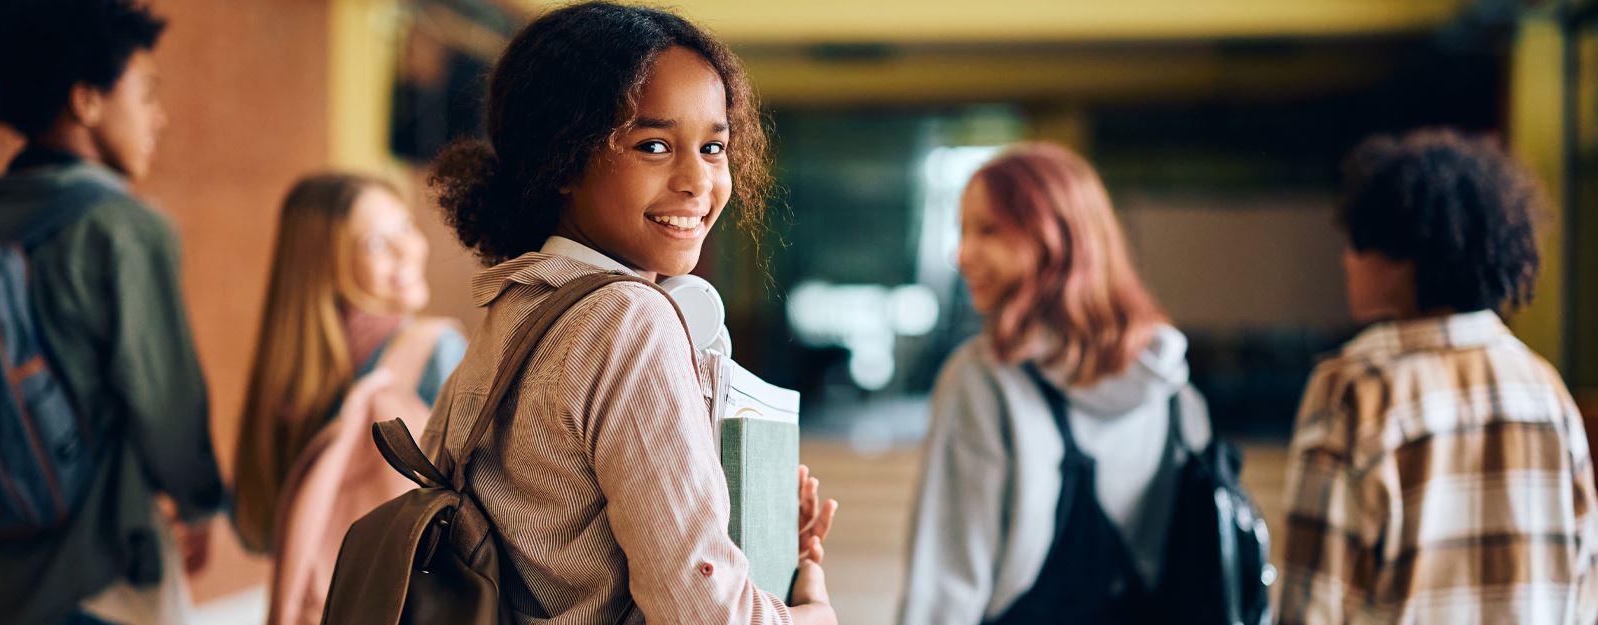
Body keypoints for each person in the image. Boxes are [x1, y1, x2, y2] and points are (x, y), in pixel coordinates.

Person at [419, 3, 838, 623]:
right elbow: (703, 614)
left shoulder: (514, 308)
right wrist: (815, 611)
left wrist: (743, 528)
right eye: (653, 145)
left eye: (714, 145)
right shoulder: (629, 320)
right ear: (562, 157)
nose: (698, 179)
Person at [0, 2, 223, 624]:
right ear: (85, 101)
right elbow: (166, 399)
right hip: (90, 572)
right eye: (146, 96)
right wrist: (199, 506)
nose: (160, 118)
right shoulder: (125, 228)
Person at [1278, 129, 1598, 624]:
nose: (1346, 261)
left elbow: (1312, 600)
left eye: (1361, 244)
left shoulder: (1355, 389)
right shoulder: (1544, 390)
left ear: (1405, 260)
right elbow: (1582, 589)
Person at [899, 143, 1213, 624]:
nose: (962, 255)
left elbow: (946, 587)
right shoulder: (1172, 389)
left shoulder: (984, 380)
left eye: (989, 231)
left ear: (1055, 239)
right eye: (963, 231)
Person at [229, 173, 466, 625]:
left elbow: (253, 529)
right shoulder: (433, 351)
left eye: (404, 227)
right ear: (326, 263)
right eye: (376, 243)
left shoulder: (289, 378)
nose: (407, 248)